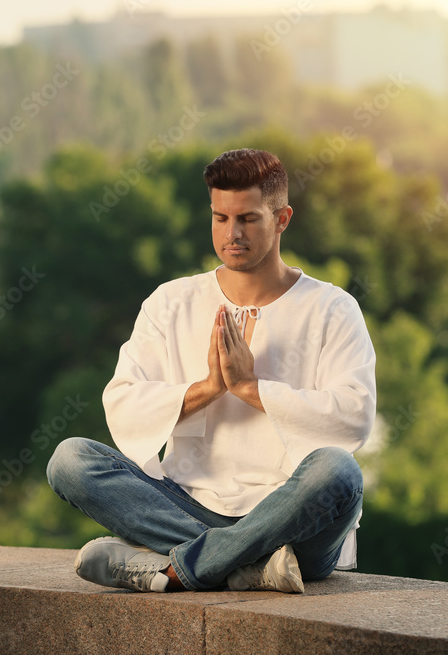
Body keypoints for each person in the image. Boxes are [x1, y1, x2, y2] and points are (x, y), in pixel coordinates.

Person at [45, 148, 376, 593]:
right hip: (186, 507)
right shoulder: (171, 301)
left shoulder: (332, 308)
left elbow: (353, 415)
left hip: (294, 522)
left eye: (248, 219)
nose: (231, 233)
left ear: (282, 219)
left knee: (340, 471)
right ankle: (246, 566)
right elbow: (122, 400)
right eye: (220, 218)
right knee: (70, 460)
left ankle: (179, 568)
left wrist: (249, 388)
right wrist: (208, 388)